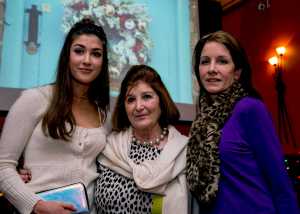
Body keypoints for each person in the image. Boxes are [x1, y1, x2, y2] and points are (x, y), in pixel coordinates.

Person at [0, 18, 110, 214]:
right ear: (67, 55)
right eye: (79, 51)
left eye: (96, 54)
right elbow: (2, 166)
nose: (86, 60)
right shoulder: (34, 99)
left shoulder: (104, 114)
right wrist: (38, 205)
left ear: (103, 62)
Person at [186, 30, 299, 213]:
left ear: (237, 72)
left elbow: (280, 184)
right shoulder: (201, 122)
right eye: (205, 61)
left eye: (222, 61)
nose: (211, 69)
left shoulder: (249, 109)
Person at [94, 64, 188, 214]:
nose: (138, 106)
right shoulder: (109, 148)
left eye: (147, 97)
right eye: (131, 99)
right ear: (124, 106)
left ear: (161, 101)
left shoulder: (183, 152)